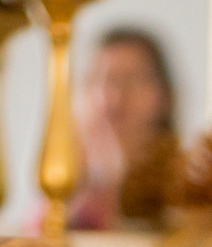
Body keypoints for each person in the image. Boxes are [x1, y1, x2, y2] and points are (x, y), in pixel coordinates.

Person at [66, 26, 175, 230]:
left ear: (163, 96)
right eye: (102, 80)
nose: (114, 97)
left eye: (130, 80)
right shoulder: (67, 184)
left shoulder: (182, 187)